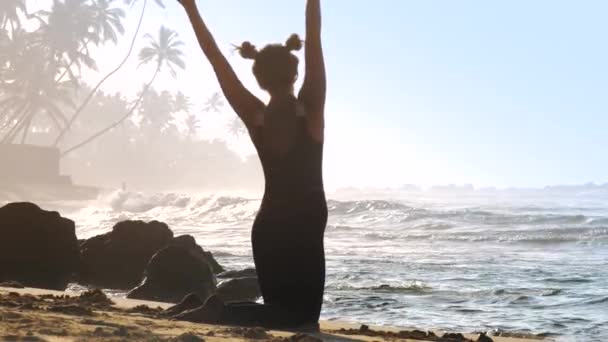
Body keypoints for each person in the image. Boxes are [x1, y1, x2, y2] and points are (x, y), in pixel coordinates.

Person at [173, 0, 328, 331]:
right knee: (301, 319)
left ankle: (206, 308)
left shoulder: (255, 115)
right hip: (304, 223)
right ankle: (216, 311)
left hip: (269, 224)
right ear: (295, 72)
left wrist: (191, 9)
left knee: (281, 312)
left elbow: (215, 59)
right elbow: (313, 38)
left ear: (259, 78)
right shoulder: (311, 107)